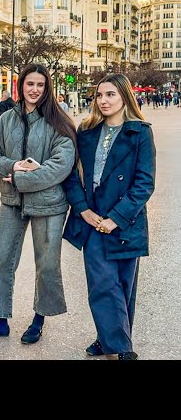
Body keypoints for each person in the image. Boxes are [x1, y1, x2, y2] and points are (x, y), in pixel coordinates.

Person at [0, 63, 77, 344]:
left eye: (40, 85)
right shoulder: (7, 119)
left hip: (49, 203)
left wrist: (18, 180)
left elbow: (61, 165)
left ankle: (39, 319)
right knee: (0, 258)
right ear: (21, 86)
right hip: (12, 202)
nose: (35, 90)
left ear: (47, 87)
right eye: (30, 84)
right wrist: (13, 165)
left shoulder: (59, 122)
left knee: (47, 264)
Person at [62, 73, 155, 361]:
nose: (103, 100)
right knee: (103, 284)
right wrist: (84, 210)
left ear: (124, 97)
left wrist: (116, 218)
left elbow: (144, 182)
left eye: (110, 94)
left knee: (124, 286)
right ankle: (122, 349)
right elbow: (72, 176)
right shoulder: (86, 132)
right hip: (92, 221)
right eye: (99, 95)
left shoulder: (139, 132)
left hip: (126, 222)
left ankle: (107, 340)